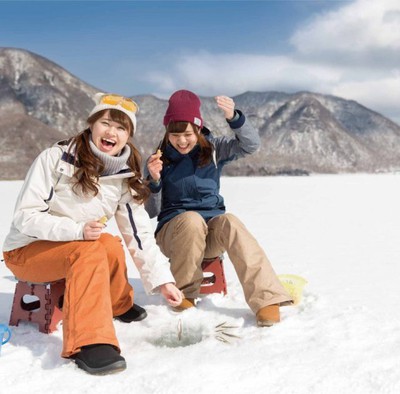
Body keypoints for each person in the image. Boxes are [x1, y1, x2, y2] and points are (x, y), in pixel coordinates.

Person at [2, 93, 183, 375]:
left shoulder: (124, 175)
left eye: (122, 128)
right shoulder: (55, 159)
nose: (112, 132)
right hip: (26, 251)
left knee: (109, 243)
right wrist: (76, 230)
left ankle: (118, 303)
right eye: (106, 123)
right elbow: (25, 217)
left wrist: (163, 281)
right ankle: (89, 341)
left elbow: (138, 234)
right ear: (92, 124)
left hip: (73, 248)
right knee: (89, 248)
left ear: (128, 137)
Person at [145, 89, 292, 327]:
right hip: (173, 235)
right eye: (175, 135)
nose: (182, 141)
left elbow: (251, 145)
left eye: (188, 134)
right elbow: (151, 211)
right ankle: (184, 293)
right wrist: (153, 181)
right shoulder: (158, 160)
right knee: (191, 219)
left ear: (198, 130)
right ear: (167, 133)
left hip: (211, 233)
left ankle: (266, 299)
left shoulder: (214, 149)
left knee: (230, 221)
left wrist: (235, 118)